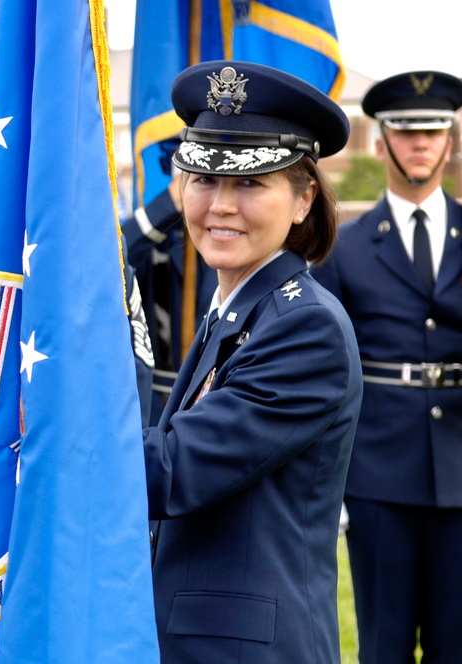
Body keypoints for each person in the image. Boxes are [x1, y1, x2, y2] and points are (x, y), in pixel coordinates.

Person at [140, 61, 361, 662]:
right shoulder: (240, 308)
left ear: (303, 199)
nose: (220, 205)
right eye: (204, 179)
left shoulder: (303, 328)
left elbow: (173, 468)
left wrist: (51, 403)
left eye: (250, 183)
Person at [311, 71, 462, 663]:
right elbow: (326, 370)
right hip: (376, 474)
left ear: (450, 141)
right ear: (381, 144)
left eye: (433, 131)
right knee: (383, 645)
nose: (420, 144)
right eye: (406, 133)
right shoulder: (342, 247)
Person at [122, 172, 218, 424]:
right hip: (158, 406)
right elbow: (113, 260)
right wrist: (168, 204)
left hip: (215, 402)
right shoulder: (158, 232)